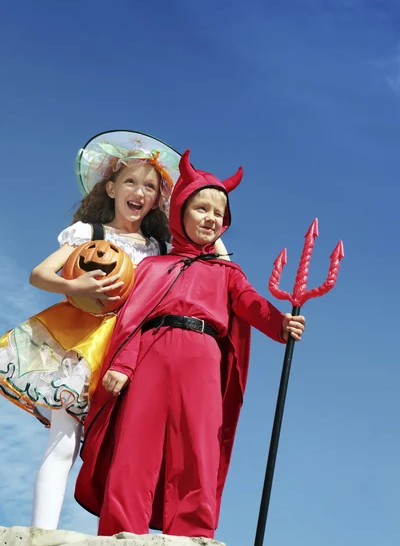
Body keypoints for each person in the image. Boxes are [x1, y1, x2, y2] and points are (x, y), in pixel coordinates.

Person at [0, 131, 228, 530]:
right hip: (84, 342)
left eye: (150, 186)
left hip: (131, 350)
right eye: (130, 182)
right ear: (111, 188)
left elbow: (212, 256)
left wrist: (216, 223)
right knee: (64, 437)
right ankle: (41, 532)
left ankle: (122, 525)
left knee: (121, 443)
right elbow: (40, 274)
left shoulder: (160, 249)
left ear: (159, 199)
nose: (139, 192)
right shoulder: (91, 234)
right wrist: (75, 286)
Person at [75, 149, 306, 539]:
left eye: (219, 213)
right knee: (135, 446)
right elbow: (134, 319)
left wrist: (280, 323)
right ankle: (121, 531)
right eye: (201, 208)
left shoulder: (228, 273)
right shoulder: (154, 266)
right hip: (150, 353)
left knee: (198, 447)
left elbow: (249, 303)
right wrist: (123, 364)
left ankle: (192, 534)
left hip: (201, 358)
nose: (211, 218)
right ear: (179, 211)